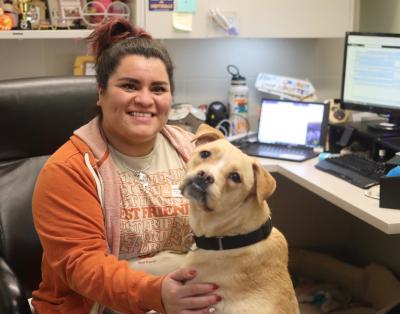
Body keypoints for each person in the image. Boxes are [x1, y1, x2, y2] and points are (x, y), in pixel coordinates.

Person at [31, 18, 221, 314]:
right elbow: (85, 268)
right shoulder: (69, 169)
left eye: (158, 89)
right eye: (129, 86)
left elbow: (230, 221)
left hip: (185, 300)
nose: (145, 99)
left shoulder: (194, 153)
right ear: (101, 91)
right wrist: (157, 294)